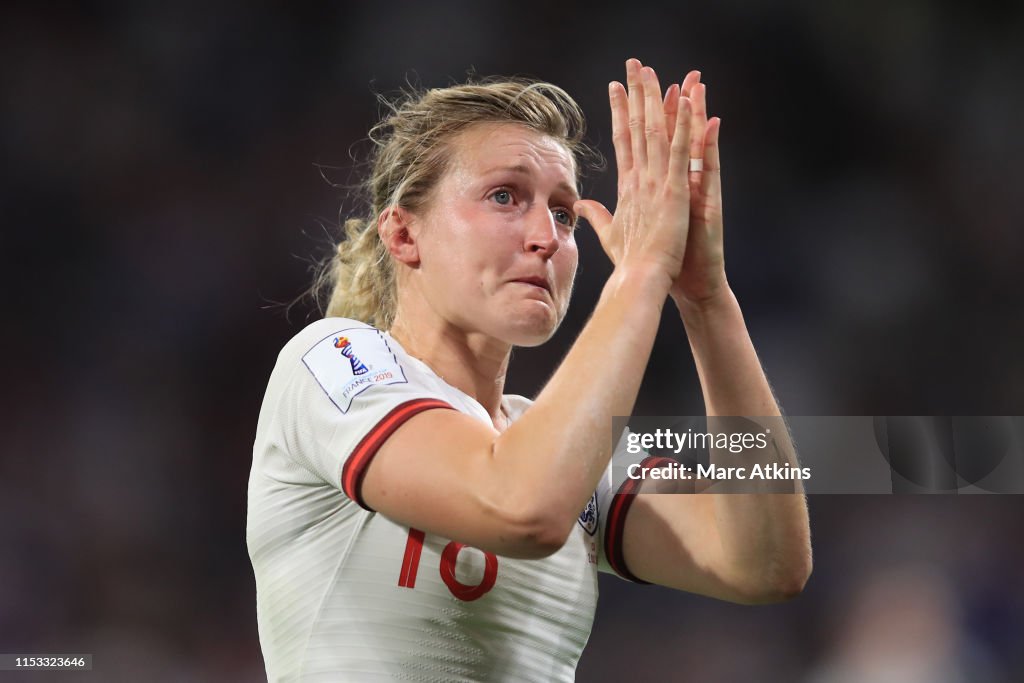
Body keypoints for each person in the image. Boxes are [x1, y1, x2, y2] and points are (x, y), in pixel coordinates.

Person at [247, 58, 812, 682]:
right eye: (504, 196)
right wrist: (640, 275)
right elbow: (521, 507)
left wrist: (707, 302)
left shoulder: (556, 441)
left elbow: (764, 564)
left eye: (565, 213)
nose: (546, 235)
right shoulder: (331, 363)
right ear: (404, 235)